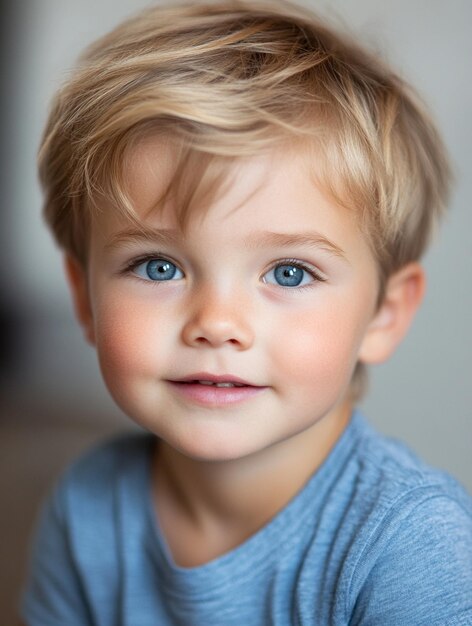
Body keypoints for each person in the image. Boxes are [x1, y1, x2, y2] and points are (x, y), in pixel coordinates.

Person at [20, 1, 472, 624]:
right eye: (159, 266)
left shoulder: (410, 545)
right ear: (84, 299)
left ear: (383, 315)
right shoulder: (87, 507)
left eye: (289, 272)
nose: (218, 323)